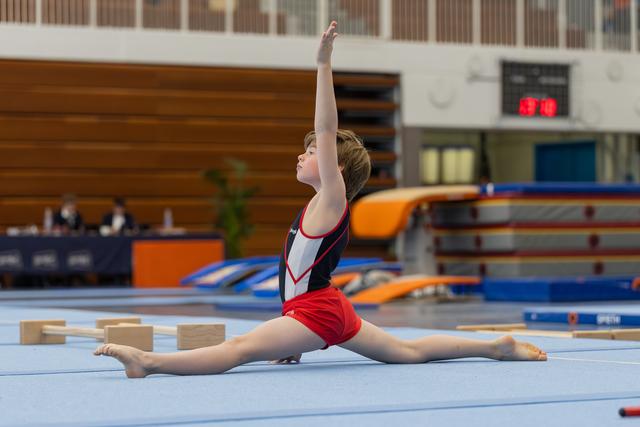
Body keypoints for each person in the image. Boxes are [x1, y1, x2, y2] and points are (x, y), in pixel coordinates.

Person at [94, 22, 546, 378]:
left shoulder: (333, 198)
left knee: (237, 351)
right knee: (404, 352)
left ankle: (148, 363)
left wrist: (323, 63)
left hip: (316, 312)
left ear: (336, 170)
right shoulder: (315, 205)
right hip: (319, 308)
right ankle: (495, 346)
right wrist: (291, 339)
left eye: (311, 152)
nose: (303, 153)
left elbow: (328, 130)